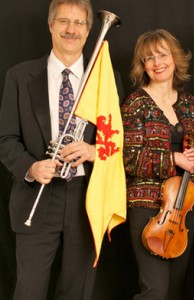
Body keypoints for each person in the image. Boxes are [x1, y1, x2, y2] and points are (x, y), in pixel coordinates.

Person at [0, 0, 124, 299]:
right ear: (51, 25)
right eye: (64, 21)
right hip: (36, 196)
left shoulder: (106, 79)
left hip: (86, 195)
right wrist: (30, 167)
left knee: (78, 292)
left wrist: (94, 151)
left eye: (79, 23)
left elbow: (119, 141)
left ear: (88, 30)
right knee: (29, 291)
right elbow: (6, 140)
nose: (71, 29)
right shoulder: (19, 76)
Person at [121, 29, 194, 300]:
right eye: (149, 58)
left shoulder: (190, 103)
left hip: (184, 207)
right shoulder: (136, 103)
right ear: (142, 65)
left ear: (174, 58)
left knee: (176, 289)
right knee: (155, 290)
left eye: (162, 55)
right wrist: (173, 159)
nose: (157, 63)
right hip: (147, 207)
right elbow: (128, 158)